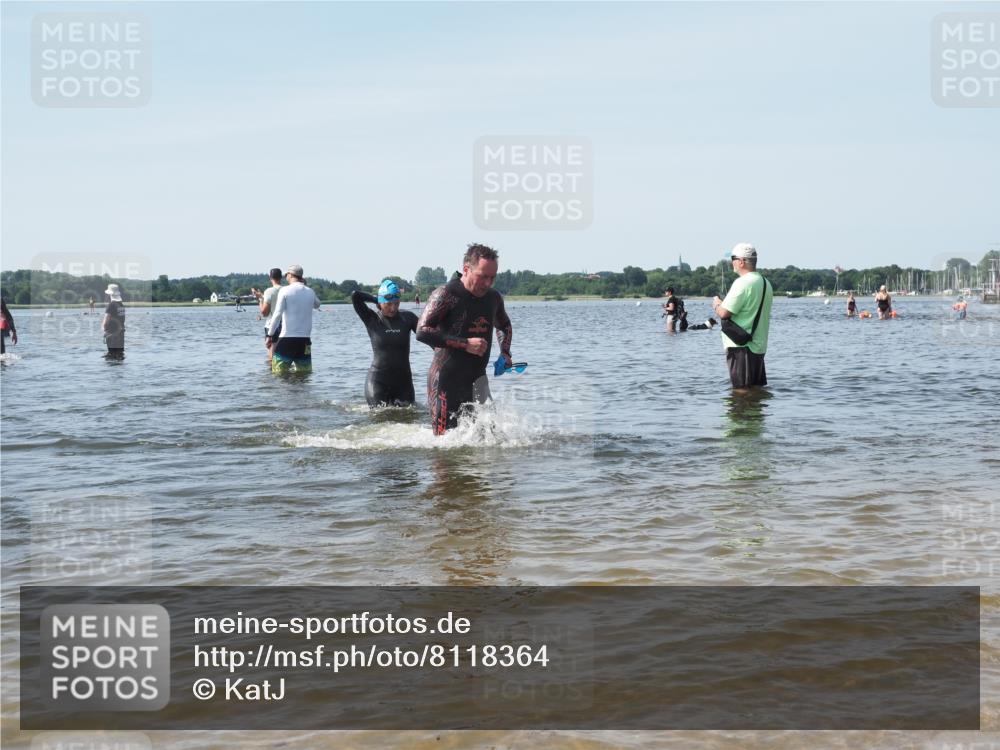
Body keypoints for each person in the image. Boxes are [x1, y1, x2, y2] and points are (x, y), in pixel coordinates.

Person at [416, 244, 514, 435]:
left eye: (493, 277)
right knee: (445, 446)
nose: (488, 283)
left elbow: (503, 325)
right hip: (445, 382)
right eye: (483, 276)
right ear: (466, 269)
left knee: (491, 438)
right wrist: (465, 344)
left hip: (478, 380)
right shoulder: (446, 294)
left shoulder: (493, 298)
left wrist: (505, 352)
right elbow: (422, 331)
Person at [712, 242, 773, 390]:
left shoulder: (742, 283)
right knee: (756, 391)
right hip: (758, 346)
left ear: (741, 261)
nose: (732, 262)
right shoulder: (766, 283)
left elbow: (724, 313)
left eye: (733, 258)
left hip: (741, 347)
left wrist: (717, 304)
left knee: (741, 392)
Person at [351, 279, 419, 407]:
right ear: (380, 302)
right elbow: (355, 296)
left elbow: (427, 335)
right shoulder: (372, 319)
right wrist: (376, 299)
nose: (393, 308)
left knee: (409, 419)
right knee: (380, 418)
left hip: (403, 384)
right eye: (388, 304)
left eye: (397, 303)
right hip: (378, 382)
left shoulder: (408, 318)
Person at [267, 264, 321, 373]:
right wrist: (306, 287)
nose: (285, 277)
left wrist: (270, 334)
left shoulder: (285, 290)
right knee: (304, 374)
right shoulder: (310, 291)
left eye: (286, 275)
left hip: (287, 338)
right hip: (305, 340)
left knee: (278, 374)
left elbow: (277, 314)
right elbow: (317, 304)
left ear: (291, 275)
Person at [252, 268, 283, 361]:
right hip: (286, 325)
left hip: (271, 325)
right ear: (281, 277)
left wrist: (260, 300)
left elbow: (264, 313)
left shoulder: (269, 291)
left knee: (272, 351)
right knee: (282, 351)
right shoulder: (285, 289)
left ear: (270, 277)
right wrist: (262, 296)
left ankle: (271, 372)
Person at [102, 283, 126, 359]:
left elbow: (106, 322)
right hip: (121, 334)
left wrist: (105, 330)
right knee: (120, 356)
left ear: (110, 295)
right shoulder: (121, 305)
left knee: (111, 357)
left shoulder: (111, 305)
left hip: (112, 335)